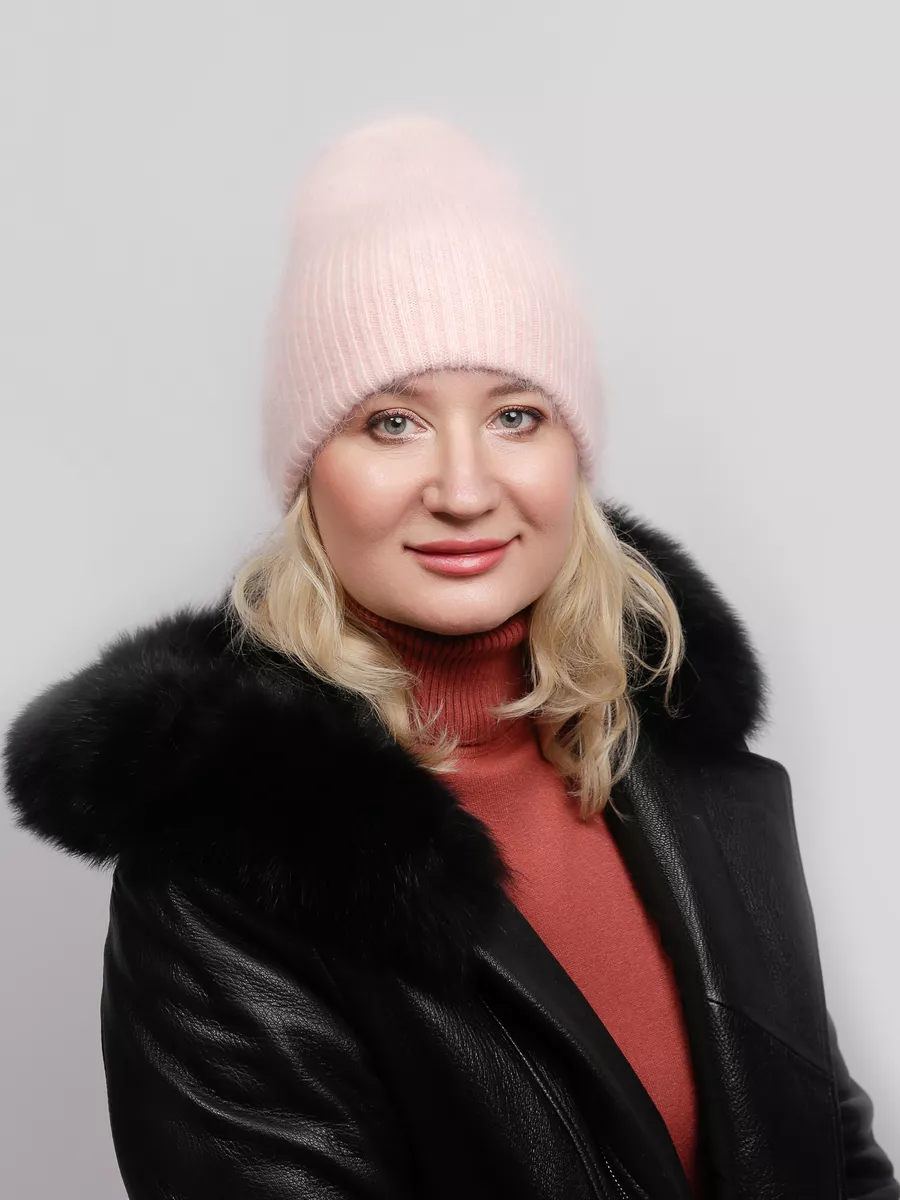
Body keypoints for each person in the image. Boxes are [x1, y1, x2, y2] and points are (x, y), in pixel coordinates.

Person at [2, 113, 897, 1200]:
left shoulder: (690, 760)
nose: (465, 490)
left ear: (573, 456)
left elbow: (835, 1152)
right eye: (392, 422)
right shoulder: (225, 876)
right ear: (309, 475)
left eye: (516, 416)